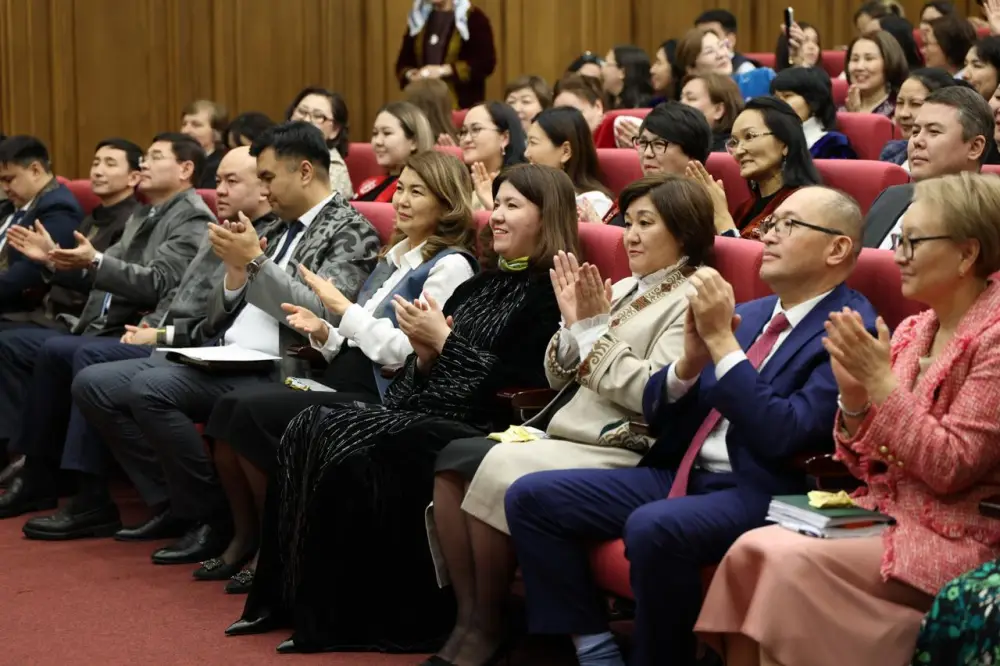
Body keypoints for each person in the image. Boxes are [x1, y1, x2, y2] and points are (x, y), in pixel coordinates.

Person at [506, 185, 876, 666]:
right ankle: (595, 647)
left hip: (757, 486)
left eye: (789, 226)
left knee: (654, 526)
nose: (769, 236)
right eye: (770, 225)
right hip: (682, 469)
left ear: (837, 247)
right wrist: (685, 373)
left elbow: (786, 433)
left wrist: (722, 346)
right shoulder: (757, 312)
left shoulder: (849, 326)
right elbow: (665, 404)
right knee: (531, 497)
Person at [225, 164, 577, 654]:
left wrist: (446, 344)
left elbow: (521, 389)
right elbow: (416, 373)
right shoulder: (476, 288)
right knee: (310, 422)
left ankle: (358, 618)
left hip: (484, 424)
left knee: (362, 445)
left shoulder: (550, 297)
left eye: (512, 206)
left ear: (548, 218)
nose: (495, 216)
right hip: (428, 406)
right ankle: (287, 602)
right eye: (495, 204)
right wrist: (429, 355)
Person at [696, 171, 1000, 666]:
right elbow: (861, 467)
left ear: (967, 254)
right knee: (754, 552)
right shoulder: (913, 330)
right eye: (899, 239)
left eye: (913, 241)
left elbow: (950, 466)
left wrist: (879, 385)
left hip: (958, 534)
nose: (897, 252)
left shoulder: (993, 337)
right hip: (880, 513)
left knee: (779, 564)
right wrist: (855, 401)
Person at [426, 173, 716, 666]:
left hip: (621, 445)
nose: (632, 235)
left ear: (684, 233)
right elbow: (560, 375)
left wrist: (592, 332)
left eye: (648, 223)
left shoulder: (691, 297)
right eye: (629, 223)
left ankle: (493, 626)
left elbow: (652, 390)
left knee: (493, 465)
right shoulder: (625, 286)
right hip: (571, 431)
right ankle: (473, 618)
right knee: (455, 464)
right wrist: (569, 328)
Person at [70, 122, 380, 563]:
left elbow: (324, 315)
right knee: (95, 382)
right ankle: (177, 504)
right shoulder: (275, 224)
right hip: (223, 355)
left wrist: (254, 262)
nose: (264, 189)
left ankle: (210, 517)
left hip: (283, 367)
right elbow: (215, 315)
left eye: (269, 178)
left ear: (306, 172)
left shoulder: (350, 231)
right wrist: (235, 278)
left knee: (149, 390)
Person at [196, 150, 478, 592]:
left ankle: (277, 546)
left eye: (417, 193)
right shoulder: (396, 256)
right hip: (344, 376)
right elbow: (355, 338)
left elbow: (408, 351)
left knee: (248, 412)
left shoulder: (451, 265)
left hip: (382, 393)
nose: (401, 200)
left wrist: (344, 312)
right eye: (400, 188)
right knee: (229, 409)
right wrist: (325, 333)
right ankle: (247, 537)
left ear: (448, 205)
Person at [15, 146, 280, 540]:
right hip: (156, 332)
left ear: (263, 188)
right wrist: (62, 262)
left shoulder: (201, 219)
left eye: (231, 181)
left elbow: (179, 299)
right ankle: (50, 475)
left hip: (188, 345)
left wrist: (159, 333)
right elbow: (176, 296)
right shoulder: (186, 220)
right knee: (64, 359)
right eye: (219, 180)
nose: (218, 190)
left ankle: (158, 501)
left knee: (87, 358)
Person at [0, 133, 212, 516]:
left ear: (185, 170)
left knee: (80, 353)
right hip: (97, 324)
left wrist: (95, 261)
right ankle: (39, 474)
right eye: (144, 157)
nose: (144, 164)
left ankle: (90, 493)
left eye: (155, 157)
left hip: (153, 332)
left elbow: (156, 282)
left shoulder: (192, 216)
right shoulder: (147, 213)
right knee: (45, 349)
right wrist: (54, 261)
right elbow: (103, 274)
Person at [2, 138, 142, 331]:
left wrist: (52, 261)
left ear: (133, 178)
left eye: (110, 164)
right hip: (49, 314)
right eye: (95, 163)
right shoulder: (92, 217)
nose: (98, 171)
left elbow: (112, 285)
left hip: (79, 321)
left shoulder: (134, 222)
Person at [865, 86, 993, 248]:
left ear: (974, 147)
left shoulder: (988, 218)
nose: (917, 141)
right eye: (916, 131)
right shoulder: (891, 198)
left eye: (933, 132)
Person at [699, 96, 822, 239]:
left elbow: (755, 261)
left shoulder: (802, 207)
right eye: (734, 142)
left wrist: (722, 218)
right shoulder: (745, 209)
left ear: (784, 144)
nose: (739, 151)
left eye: (750, 136)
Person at [0, 136, 84, 314]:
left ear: (35, 170)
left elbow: (28, 273)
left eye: (8, 179)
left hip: (17, 310)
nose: (4, 188)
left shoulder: (58, 208)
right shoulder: (9, 206)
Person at [603, 102, 712, 227]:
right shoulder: (635, 195)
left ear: (692, 155)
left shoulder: (696, 210)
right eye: (643, 143)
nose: (647, 153)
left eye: (659, 144)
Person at [395, 0, 497, 109]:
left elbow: (485, 63)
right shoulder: (419, 19)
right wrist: (411, 74)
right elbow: (403, 63)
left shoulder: (473, 18)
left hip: (461, 106)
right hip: (423, 104)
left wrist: (443, 71)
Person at [523, 107, 613, 222]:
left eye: (533, 143)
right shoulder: (527, 195)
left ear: (566, 151)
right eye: (527, 143)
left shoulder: (591, 203)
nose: (526, 153)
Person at [879, 68, 962, 168]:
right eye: (900, 103)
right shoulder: (892, 151)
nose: (903, 114)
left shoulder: (952, 163)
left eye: (915, 104)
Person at [356, 101, 436, 203]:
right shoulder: (372, 183)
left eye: (387, 133)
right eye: (375, 133)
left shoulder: (421, 191)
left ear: (414, 142)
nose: (377, 141)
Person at [772, 67, 858, 159]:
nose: (778, 103)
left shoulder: (833, 145)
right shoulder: (771, 137)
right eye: (776, 98)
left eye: (787, 96)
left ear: (814, 101)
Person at [286, 87, 353, 199]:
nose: (306, 120)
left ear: (335, 130)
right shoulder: (277, 152)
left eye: (318, 116)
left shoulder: (334, 169)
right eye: (302, 112)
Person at [459, 102, 526, 211]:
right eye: (463, 131)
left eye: (476, 129)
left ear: (504, 138)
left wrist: (490, 203)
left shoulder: (521, 186)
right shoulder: (459, 183)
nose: (466, 139)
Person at [841, 31, 909, 117]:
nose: (859, 67)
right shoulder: (839, 111)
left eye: (869, 59)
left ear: (889, 62)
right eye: (855, 59)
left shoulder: (900, 111)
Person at [679, 73, 744, 152]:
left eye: (691, 98)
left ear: (718, 110)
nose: (680, 104)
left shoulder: (732, 152)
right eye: (681, 98)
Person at [180, 99, 228, 188]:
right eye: (184, 124)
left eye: (196, 125)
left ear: (216, 133)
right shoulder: (176, 161)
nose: (185, 131)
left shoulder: (221, 165)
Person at [695, 9, 757, 74]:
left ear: (730, 40)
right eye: (700, 34)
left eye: (712, 34)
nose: (706, 38)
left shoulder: (745, 71)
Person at [601, 45, 654, 110]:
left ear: (622, 72)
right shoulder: (611, 102)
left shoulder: (646, 108)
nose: (602, 69)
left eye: (607, 64)